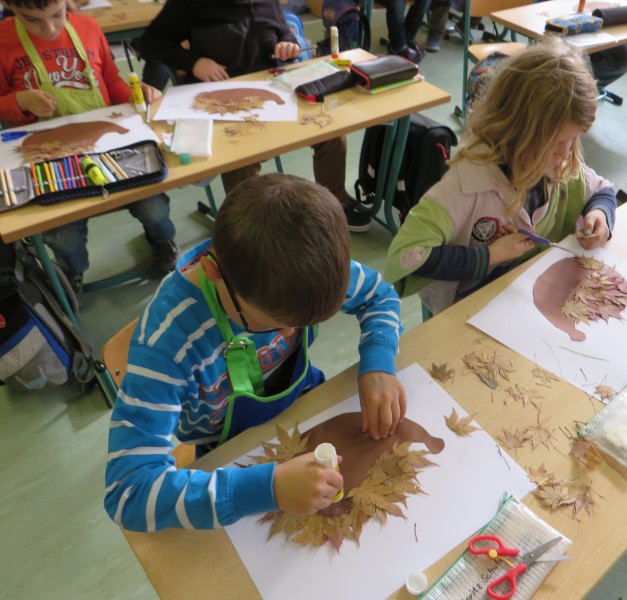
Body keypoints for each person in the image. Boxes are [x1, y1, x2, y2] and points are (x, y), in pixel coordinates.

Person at [104, 173, 406, 531]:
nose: (291, 334)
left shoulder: (304, 267)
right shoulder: (166, 344)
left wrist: (378, 363)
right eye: (272, 324)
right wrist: (266, 489)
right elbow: (128, 492)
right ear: (213, 272)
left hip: (306, 405)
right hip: (227, 451)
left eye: (303, 324)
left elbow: (380, 296)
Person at [384, 40, 616, 317]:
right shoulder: (466, 185)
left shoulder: (558, 165)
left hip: (527, 302)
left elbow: (602, 191)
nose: (566, 153)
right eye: (557, 142)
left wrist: (600, 215)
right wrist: (490, 256)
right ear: (518, 131)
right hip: (469, 312)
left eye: (574, 139)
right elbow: (406, 256)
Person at [138, 0, 372, 232]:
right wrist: (194, 63)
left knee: (330, 133)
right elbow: (152, 41)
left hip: (272, 94)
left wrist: (288, 44)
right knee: (241, 158)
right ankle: (249, 225)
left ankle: (335, 201)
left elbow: (283, 31)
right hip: (223, 103)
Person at [0, 0, 179, 292]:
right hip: (49, 158)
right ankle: (73, 270)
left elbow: (111, 81)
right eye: (32, 19)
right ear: (8, 5)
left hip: (107, 146)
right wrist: (19, 101)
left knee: (155, 209)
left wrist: (136, 94)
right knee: (64, 238)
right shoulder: (3, 40)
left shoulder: (88, 27)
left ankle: (161, 240)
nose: (49, 28)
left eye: (57, 15)